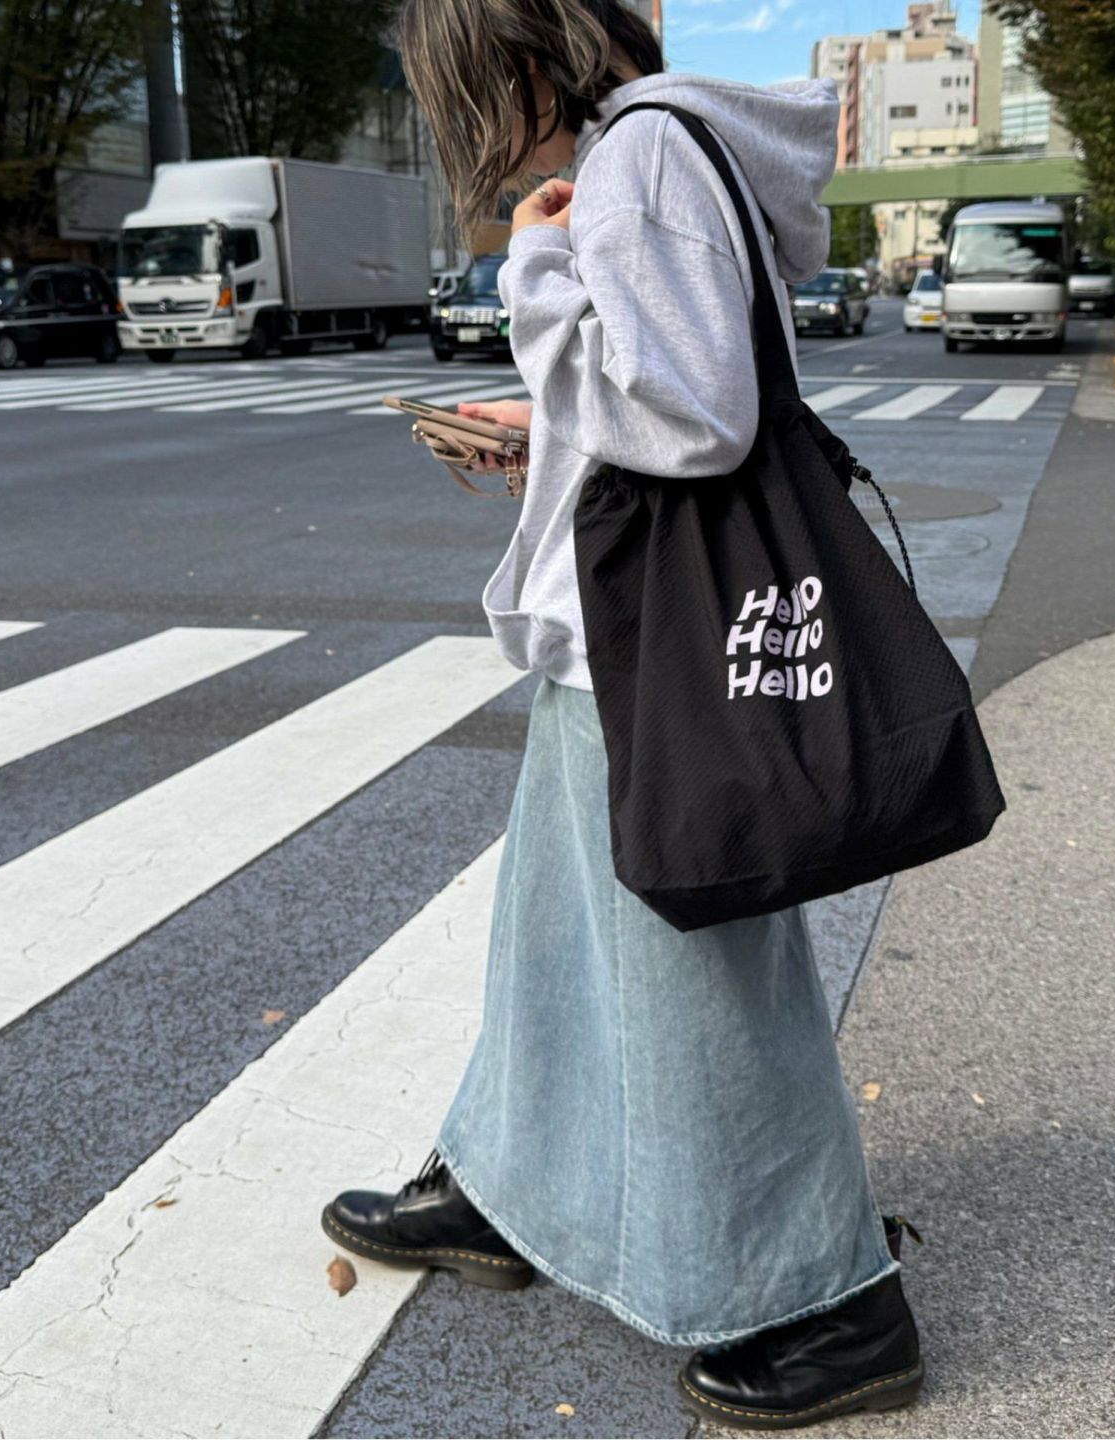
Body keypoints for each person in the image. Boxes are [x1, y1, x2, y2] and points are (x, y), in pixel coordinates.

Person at [322, 0, 924, 1427]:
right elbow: (667, 387)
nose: (482, 132)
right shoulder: (667, 146)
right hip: (622, 641)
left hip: (659, 653)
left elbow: (695, 419)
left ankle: (834, 1303)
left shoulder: (644, 154)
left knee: (701, 982)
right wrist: (547, 425)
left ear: (526, 62)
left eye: (475, 94)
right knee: (553, 945)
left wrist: (535, 266)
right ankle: (504, 1189)